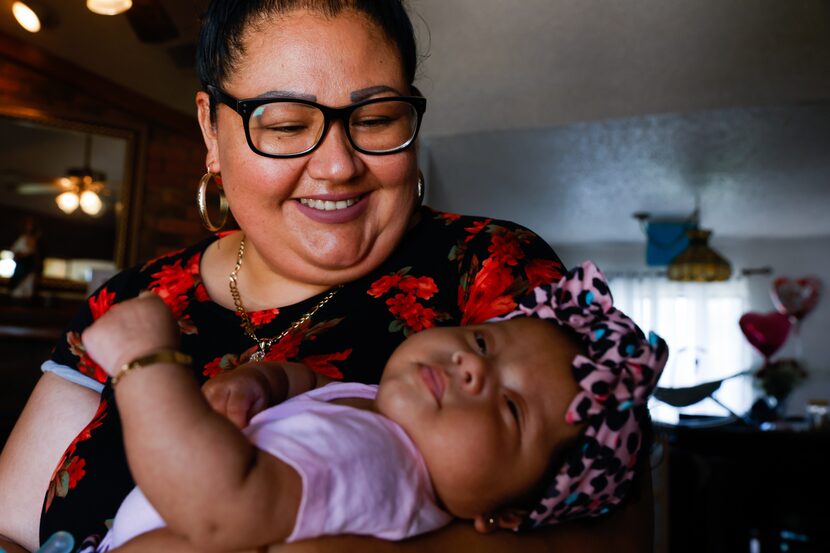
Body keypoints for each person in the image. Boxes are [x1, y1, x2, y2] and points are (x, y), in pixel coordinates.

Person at [0, 2, 656, 552]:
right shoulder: (131, 300)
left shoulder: (485, 265)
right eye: (286, 125)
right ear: (210, 128)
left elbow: (609, 525)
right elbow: (11, 524)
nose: (338, 165)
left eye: (376, 120)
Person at [78, 262, 666, 551]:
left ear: (505, 517)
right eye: (485, 343)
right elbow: (313, 386)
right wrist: (267, 382)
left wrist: (144, 364)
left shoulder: (378, 463)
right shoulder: (380, 413)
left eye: (512, 409)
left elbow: (218, 507)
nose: (473, 369)